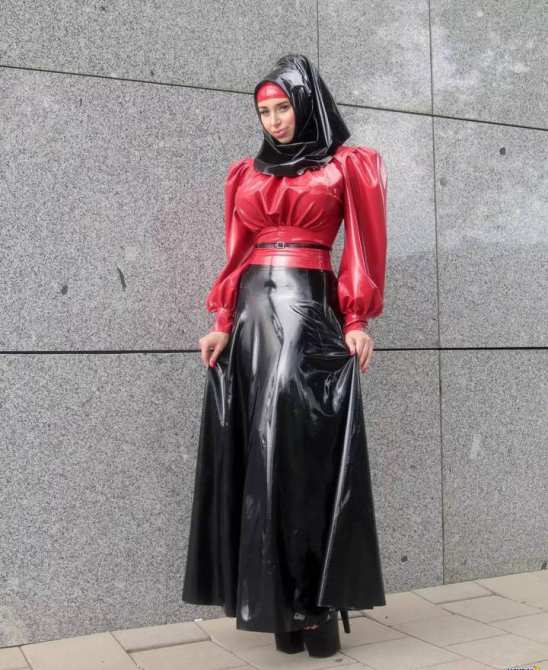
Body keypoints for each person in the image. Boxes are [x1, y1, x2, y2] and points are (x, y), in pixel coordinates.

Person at [182, 54, 388, 659]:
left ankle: (313, 608)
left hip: (306, 308)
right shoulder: (245, 173)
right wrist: (221, 321)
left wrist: (356, 319)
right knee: (258, 449)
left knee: (295, 449)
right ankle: (275, 607)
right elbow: (237, 250)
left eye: (283, 108)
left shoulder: (348, 166)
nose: (273, 120)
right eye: (264, 111)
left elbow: (364, 247)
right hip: (251, 312)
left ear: (306, 105)